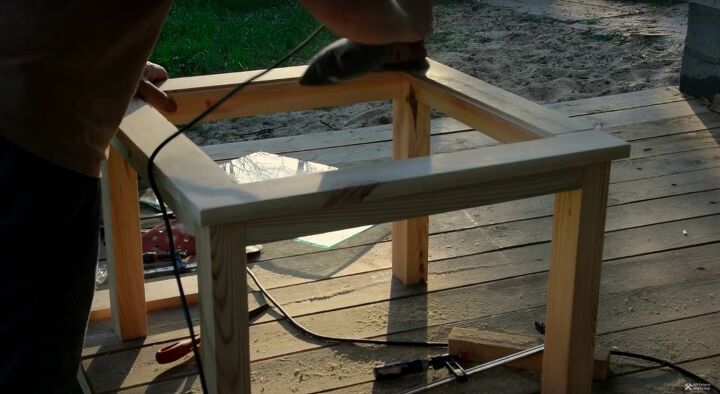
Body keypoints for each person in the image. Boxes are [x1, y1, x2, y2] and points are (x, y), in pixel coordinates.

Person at [0, 1, 431, 392]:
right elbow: (354, 13)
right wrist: (413, 17)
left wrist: (105, 62)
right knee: (31, 369)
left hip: (25, 137)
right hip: (27, 154)